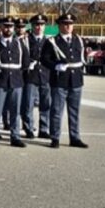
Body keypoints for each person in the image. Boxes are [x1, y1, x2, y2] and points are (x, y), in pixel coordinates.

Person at [41, 14, 89, 149]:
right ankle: (55, 138)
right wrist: (55, 65)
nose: (68, 26)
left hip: (76, 81)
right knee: (56, 111)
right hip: (59, 81)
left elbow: (81, 57)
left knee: (74, 111)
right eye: (65, 24)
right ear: (59, 26)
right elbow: (44, 59)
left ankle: (75, 137)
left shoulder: (78, 40)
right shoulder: (52, 41)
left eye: (70, 24)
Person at [0, 16, 29, 148]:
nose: (8, 29)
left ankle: (15, 137)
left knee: (15, 111)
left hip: (15, 81)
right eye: (5, 26)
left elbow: (25, 63)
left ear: (14, 29)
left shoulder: (20, 44)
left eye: (10, 26)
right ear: (1, 28)